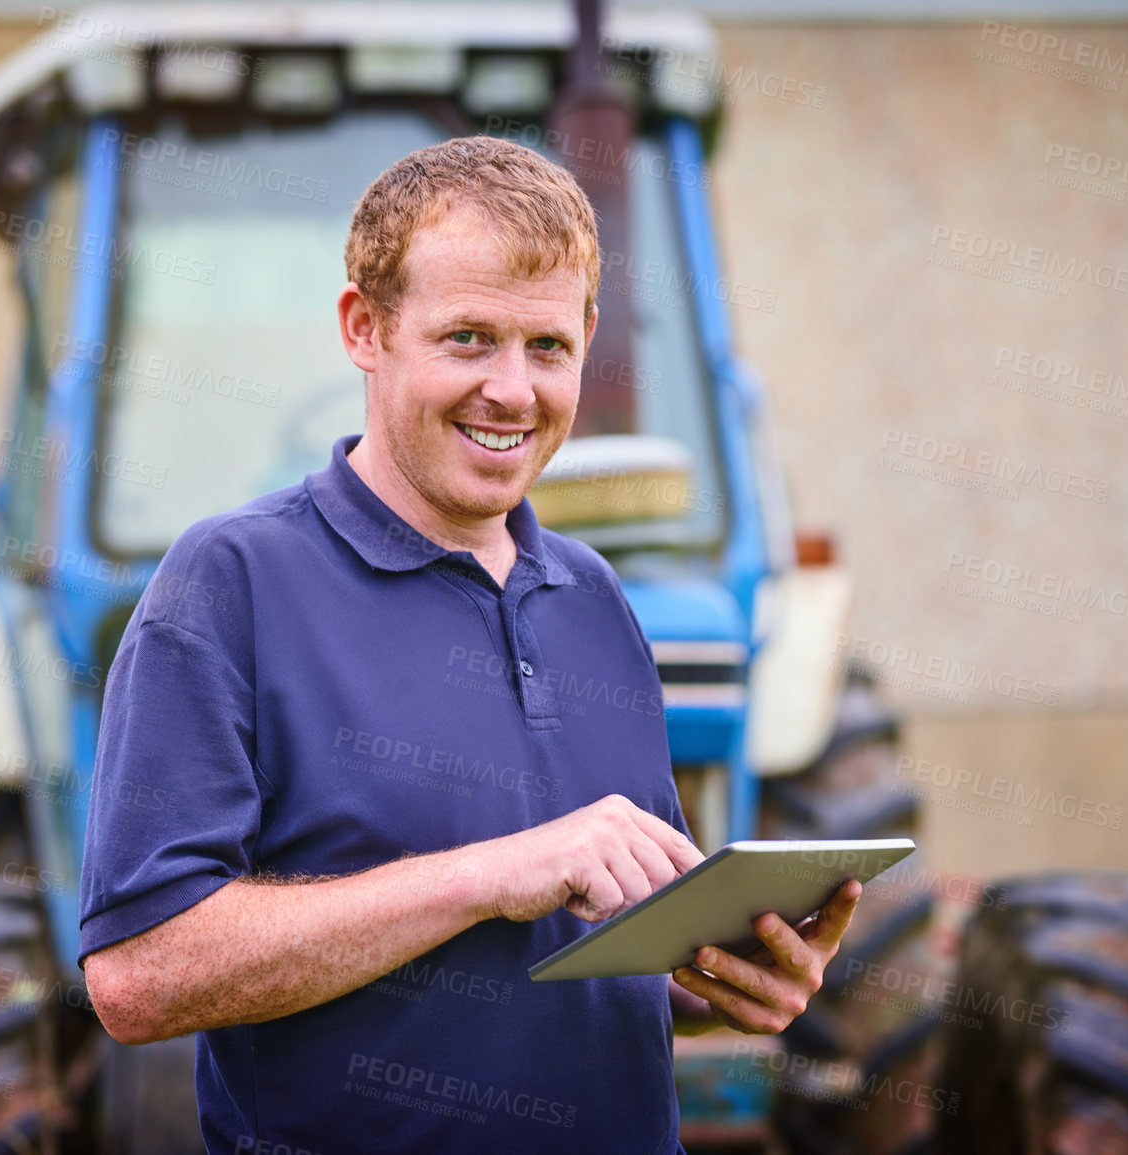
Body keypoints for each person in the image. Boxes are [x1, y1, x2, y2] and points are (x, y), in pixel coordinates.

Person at [79, 135, 860, 1154]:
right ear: (366, 327)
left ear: (587, 336)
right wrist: (489, 874)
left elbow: (590, 967)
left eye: (547, 347)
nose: (513, 391)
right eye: (467, 339)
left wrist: (727, 977)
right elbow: (138, 978)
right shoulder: (229, 585)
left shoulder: (593, 597)